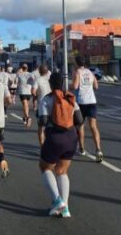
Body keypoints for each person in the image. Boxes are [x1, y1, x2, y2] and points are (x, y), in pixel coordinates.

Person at [38, 71, 81, 218]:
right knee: (62, 171)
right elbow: (80, 119)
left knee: (45, 167)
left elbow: (43, 121)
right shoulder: (69, 97)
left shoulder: (47, 99)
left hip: (55, 137)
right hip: (72, 137)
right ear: (63, 84)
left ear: (50, 84)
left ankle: (57, 201)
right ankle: (65, 208)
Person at [71, 56, 103, 162]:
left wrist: (69, 86)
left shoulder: (77, 72)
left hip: (81, 102)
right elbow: (96, 87)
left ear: (77, 63)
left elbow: (75, 86)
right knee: (93, 126)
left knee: (80, 125)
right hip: (92, 101)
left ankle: (82, 149)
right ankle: (98, 150)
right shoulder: (90, 72)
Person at [34, 64, 53, 146]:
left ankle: (42, 147)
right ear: (47, 71)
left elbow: (33, 91)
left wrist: (36, 96)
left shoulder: (38, 80)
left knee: (41, 127)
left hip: (42, 106)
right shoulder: (51, 79)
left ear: (39, 72)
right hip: (52, 105)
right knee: (52, 127)